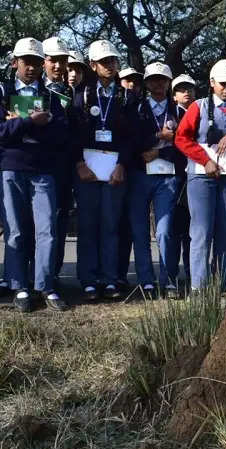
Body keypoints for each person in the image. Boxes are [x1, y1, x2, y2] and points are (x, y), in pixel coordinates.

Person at [0, 37, 70, 313]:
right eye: (26, 62)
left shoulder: (52, 97)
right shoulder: (1, 94)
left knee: (47, 230)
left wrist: (19, 125)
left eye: (36, 62)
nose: (32, 68)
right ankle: (19, 285)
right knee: (16, 231)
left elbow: (60, 134)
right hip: (11, 168)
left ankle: (45, 286)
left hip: (43, 171)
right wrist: (30, 122)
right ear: (15, 63)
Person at [175, 59, 226, 291]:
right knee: (201, 232)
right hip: (201, 177)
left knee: (225, 231)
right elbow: (181, 138)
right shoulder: (198, 107)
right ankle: (199, 289)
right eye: (223, 83)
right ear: (212, 82)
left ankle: (218, 287)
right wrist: (205, 160)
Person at [73, 40, 140, 301]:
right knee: (89, 225)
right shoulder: (81, 94)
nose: (110, 66)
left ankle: (110, 279)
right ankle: (89, 280)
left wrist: (123, 164)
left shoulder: (127, 97)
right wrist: (79, 163)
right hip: (87, 169)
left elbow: (132, 136)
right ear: (93, 65)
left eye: (113, 61)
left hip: (115, 170)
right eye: (104, 62)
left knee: (111, 225)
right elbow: (73, 135)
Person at [132, 61, 183, 298]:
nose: (158, 84)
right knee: (141, 230)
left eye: (162, 79)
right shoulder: (135, 108)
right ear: (147, 83)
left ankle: (168, 279)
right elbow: (130, 141)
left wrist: (160, 151)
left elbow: (184, 146)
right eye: (153, 79)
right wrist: (157, 137)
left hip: (168, 176)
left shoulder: (180, 111)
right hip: (140, 174)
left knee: (164, 231)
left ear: (168, 83)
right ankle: (146, 281)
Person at [42, 37, 74, 284]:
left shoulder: (72, 93)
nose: (58, 66)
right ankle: (26, 275)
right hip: (36, 163)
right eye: (53, 60)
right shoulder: (28, 90)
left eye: (62, 60)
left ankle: (53, 272)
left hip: (63, 165)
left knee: (59, 219)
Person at [170, 73, 196, 284]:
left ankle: (191, 273)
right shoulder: (170, 115)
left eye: (189, 88)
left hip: (195, 178)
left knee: (192, 231)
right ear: (174, 95)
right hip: (174, 176)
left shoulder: (201, 113)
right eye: (181, 89)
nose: (186, 92)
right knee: (173, 230)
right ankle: (171, 276)